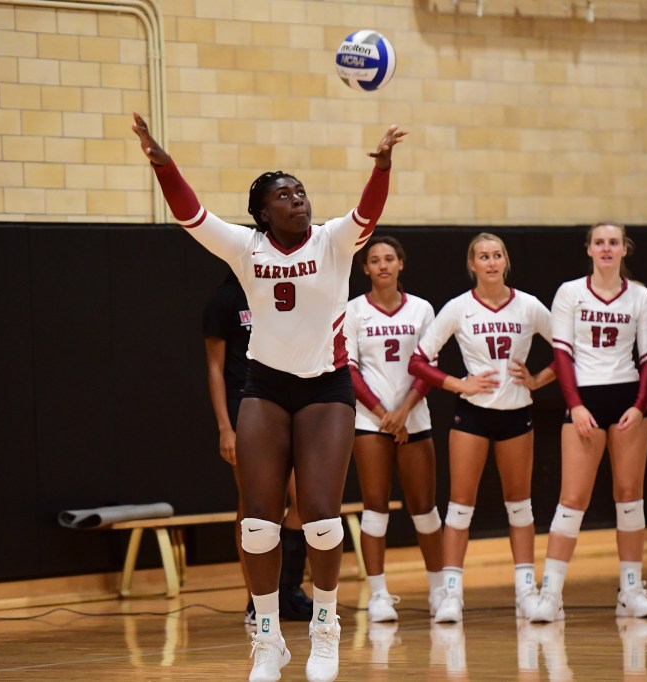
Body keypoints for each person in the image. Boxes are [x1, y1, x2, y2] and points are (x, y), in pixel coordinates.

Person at [133, 112, 407, 682]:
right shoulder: (244, 246)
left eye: (300, 191)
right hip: (264, 387)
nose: (297, 199)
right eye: (284, 195)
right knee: (256, 524)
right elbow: (191, 216)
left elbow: (370, 210)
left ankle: (325, 629)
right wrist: (163, 163)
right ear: (263, 211)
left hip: (326, 388)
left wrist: (381, 165)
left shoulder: (335, 239)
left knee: (321, 519)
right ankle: (268, 639)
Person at [409, 233, 555, 624]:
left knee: (519, 505)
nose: (491, 262)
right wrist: (458, 383)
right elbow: (419, 360)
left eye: (497, 255)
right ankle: (451, 596)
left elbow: (568, 347)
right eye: (483, 256)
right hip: (471, 415)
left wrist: (539, 379)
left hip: (516, 414)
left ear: (506, 261)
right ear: (471, 264)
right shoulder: (458, 308)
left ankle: (526, 592)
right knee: (459, 507)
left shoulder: (528, 306)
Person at [530, 222, 647, 623]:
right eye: (599, 242)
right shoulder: (570, 292)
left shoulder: (640, 296)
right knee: (572, 498)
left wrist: (639, 406)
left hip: (628, 400)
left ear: (625, 249)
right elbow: (563, 355)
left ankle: (632, 589)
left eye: (613, 242)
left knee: (630, 495)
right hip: (584, 398)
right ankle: (550, 594)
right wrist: (576, 404)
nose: (606, 248)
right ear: (588, 249)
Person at [203, 271, 313, 625]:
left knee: (306, 500)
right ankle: (256, 598)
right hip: (245, 405)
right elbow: (215, 368)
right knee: (255, 505)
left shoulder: (278, 293)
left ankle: (288, 589)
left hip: (286, 400)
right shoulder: (223, 301)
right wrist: (224, 426)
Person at [344, 236, 444, 622]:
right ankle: (380, 596)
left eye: (389, 258)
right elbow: (348, 369)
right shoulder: (353, 312)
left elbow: (429, 366)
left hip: (414, 417)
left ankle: (440, 593)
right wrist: (385, 413)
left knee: (424, 508)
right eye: (374, 260)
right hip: (370, 420)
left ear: (401, 264)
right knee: (375, 507)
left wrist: (403, 411)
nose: (383, 265)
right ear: (365, 268)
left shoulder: (421, 310)